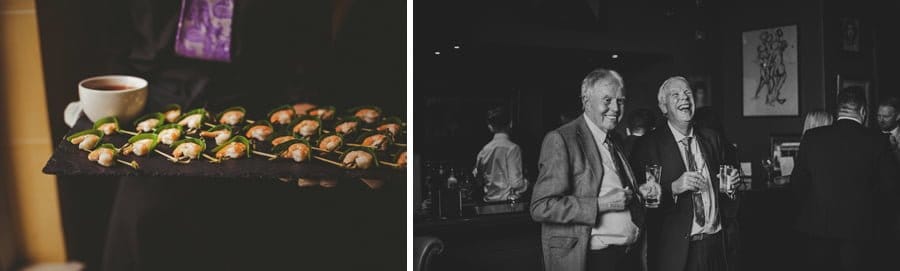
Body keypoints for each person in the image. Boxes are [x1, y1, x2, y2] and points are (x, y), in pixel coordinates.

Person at [98, 1, 404, 270]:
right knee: (146, 231)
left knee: (261, 238)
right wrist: (117, 98)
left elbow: (305, 30)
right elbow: (116, 28)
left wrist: (305, 97)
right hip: (162, 103)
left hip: (260, 99)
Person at [530, 68, 649, 271]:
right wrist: (599, 205)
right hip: (594, 261)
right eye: (607, 100)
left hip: (628, 257)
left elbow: (612, 188)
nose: (615, 108)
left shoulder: (614, 139)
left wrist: (640, 192)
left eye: (620, 101)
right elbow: (541, 206)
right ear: (586, 101)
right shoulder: (561, 139)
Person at [629, 76, 740, 271]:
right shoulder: (648, 145)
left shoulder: (712, 138)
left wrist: (731, 186)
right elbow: (640, 203)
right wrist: (673, 188)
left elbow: (727, 193)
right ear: (663, 107)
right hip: (676, 254)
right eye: (676, 95)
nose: (684, 99)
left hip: (716, 246)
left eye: (688, 93)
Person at [790, 87, 900, 271]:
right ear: (863, 111)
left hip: (817, 228)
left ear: (838, 110)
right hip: (861, 232)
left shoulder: (812, 137)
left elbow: (798, 185)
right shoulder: (878, 141)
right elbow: (890, 190)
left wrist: (817, 207)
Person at [473, 106, 528, 203]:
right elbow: (516, 183)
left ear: (490, 127)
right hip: (508, 204)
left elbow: (478, 180)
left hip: (488, 203)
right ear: (510, 124)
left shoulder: (484, 150)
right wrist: (527, 184)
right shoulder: (513, 148)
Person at [876, 97, 900, 161]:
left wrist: (895, 150)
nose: (881, 120)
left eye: (886, 116)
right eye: (878, 116)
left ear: (898, 116)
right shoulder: (871, 135)